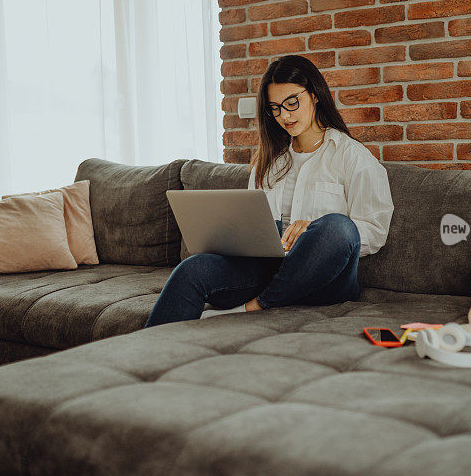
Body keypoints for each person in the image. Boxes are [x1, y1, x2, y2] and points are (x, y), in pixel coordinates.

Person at [144, 55, 394, 328]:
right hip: (268, 268)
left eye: (292, 103)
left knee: (338, 228)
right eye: (275, 108)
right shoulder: (270, 162)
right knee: (193, 269)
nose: (285, 115)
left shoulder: (352, 156)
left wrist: (314, 230)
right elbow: (254, 226)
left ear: (315, 95)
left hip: (326, 281)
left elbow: (375, 229)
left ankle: (256, 307)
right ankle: (143, 358)